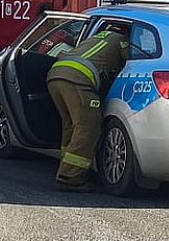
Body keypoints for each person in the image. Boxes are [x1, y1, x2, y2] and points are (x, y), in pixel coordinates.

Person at [46, 26, 129, 191]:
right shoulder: (122, 40)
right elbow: (130, 62)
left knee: (71, 125)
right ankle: (70, 176)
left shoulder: (98, 35)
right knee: (88, 126)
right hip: (77, 79)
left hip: (56, 74)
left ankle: (67, 166)